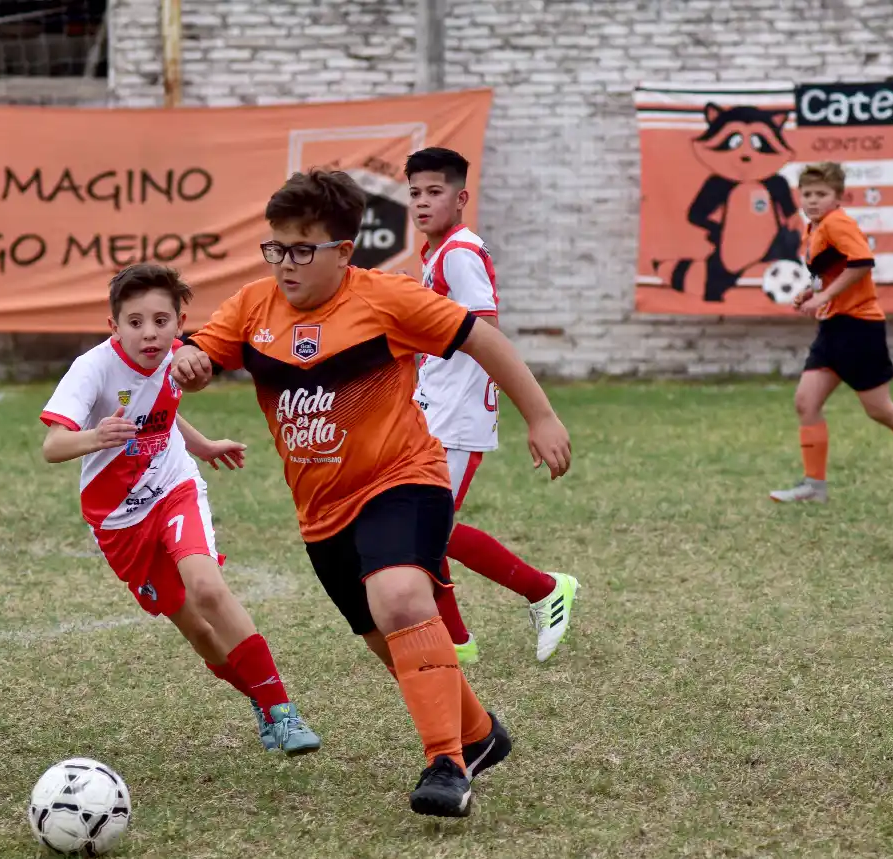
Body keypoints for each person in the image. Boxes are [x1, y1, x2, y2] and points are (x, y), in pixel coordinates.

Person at [170, 169, 573, 817]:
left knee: (401, 598)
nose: (286, 264)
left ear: (344, 252)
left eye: (304, 250)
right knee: (392, 645)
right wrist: (190, 361)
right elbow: (199, 357)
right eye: (276, 248)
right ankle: (478, 735)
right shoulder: (252, 306)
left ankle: (447, 764)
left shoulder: (386, 299)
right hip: (320, 514)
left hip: (402, 480)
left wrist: (542, 416)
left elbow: (483, 339)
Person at [40, 263, 321, 755]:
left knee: (208, 587)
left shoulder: (177, 358)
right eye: (135, 322)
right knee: (200, 632)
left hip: (174, 486)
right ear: (114, 326)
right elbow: (53, 446)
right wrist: (96, 437)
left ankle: (284, 712)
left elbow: (164, 411)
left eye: (161, 321)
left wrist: (204, 446)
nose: (149, 333)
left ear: (180, 322)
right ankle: (257, 698)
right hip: (119, 521)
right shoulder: (92, 368)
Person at [405, 146, 578, 665]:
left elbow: (486, 332)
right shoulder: (436, 252)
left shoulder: (459, 251)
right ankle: (456, 641)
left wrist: (537, 416)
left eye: (434, 192)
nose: (422, 202)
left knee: (428, 529)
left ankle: (545, 590)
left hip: (457, 415)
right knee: (425, 527)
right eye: (415, 193)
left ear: (460, 198)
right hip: (434, 406)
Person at [771, 162, 893, 503]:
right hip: (832, 328)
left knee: (881, 409)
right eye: (807, 194)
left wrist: (824, 295)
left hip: (858, 327)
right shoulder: (814, 228)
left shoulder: (839, 223)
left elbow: (862, 262)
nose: (812, 200)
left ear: (838, 197)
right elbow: (831, 270)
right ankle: (813, 488)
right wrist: (813, 291)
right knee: (806, 402)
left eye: (821, 194)